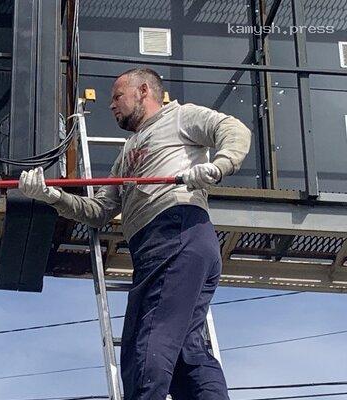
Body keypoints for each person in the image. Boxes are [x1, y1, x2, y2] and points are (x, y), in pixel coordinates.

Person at [18, 68, 251, 400]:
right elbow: (98, 212)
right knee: (186, 352)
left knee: (145, 346)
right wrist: (49, 196)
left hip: (177, 230)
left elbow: (232, 128)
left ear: (144, 91)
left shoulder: (180, 117)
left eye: (117, 96)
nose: (111, 106)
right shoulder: (125, 156)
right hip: (161, 248)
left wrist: (218, 166)